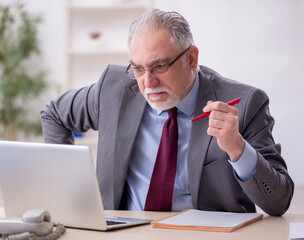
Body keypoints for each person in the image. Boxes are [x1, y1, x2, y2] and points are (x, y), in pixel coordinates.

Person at [40, 8, 294, 216]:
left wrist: (238, 149)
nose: (147, 83)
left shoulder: (246, 104)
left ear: (191, 59)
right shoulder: (114, 89)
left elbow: (278, 202)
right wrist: (69, 189)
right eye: (138, 68)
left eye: (159, 66)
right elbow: (54, 114)